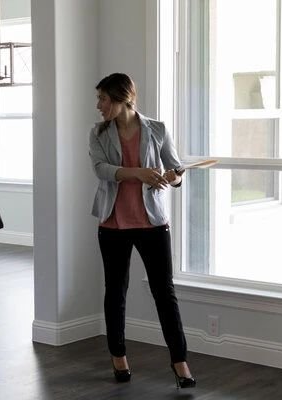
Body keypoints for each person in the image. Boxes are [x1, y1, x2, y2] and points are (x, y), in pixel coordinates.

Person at [88, 72, 197, 389]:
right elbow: (101, 170)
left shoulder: (157, 129)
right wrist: (139, 173)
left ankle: (180, 361)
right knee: (115, 292)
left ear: (122, 98)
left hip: (153, 223)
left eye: (103, 99)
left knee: (165, 293)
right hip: (113, 223)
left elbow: (176, 170)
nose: (99, 105)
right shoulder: (98, 133)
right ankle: (118, 356)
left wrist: (173, 177)